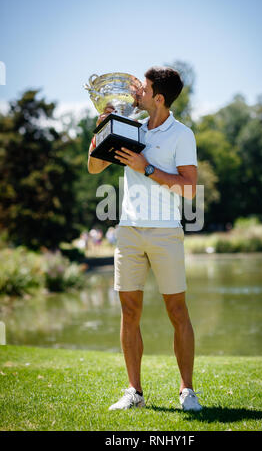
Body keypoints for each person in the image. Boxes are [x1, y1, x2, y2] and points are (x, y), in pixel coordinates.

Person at [87, 66, 201, 412]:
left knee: (177, 310)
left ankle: (187, 392)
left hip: (165, 231)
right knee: (129, 311)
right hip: (130, 232)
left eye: (145, 88)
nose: (137, 91)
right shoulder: (129, 126)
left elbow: (190, 188)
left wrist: (146, 167)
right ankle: (134, 392)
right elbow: (94, 168)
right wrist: (101, 128)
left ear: (159, 98)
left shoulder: (182, 134)